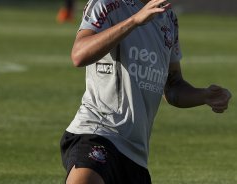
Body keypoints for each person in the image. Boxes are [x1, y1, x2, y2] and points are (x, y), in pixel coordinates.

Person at [60, 0, 232, 183]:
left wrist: (204, 95)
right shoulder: (107, 3)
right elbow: (79, 55)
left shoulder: (168, 18)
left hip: (136, 155)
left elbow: (173, 86)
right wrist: (134, 21)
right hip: (97, 132)